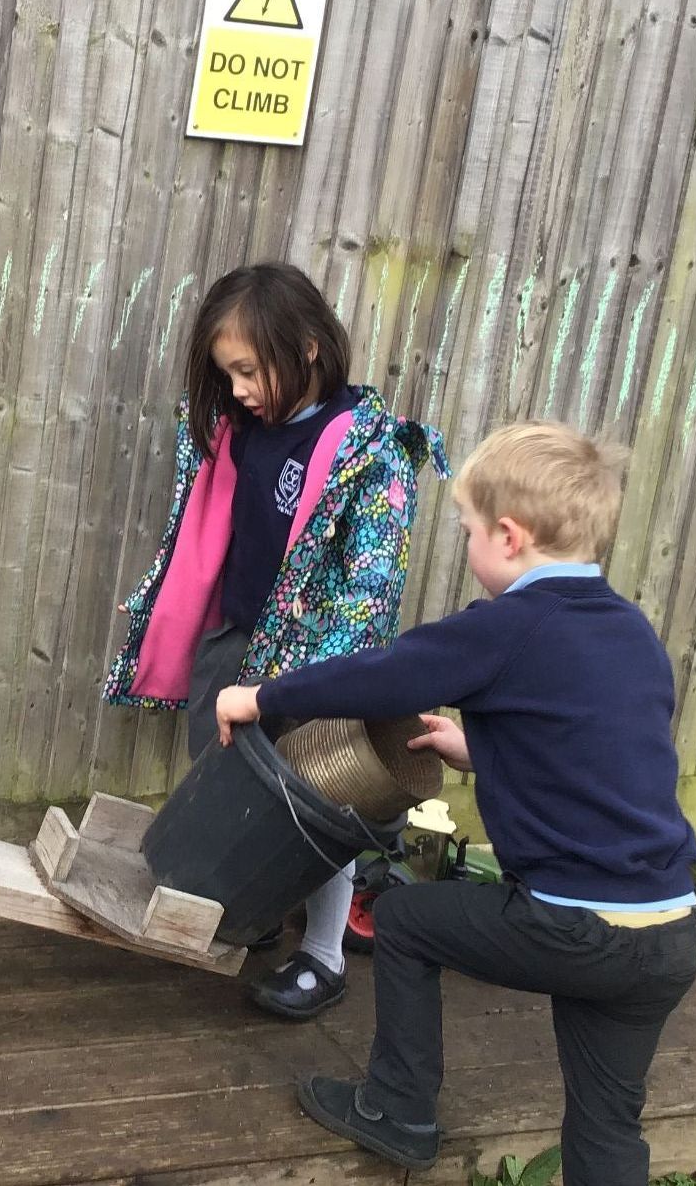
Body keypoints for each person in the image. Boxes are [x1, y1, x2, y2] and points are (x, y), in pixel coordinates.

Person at [215, 422, 696, 1185]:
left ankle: (398, 1110)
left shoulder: (509, 626)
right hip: (668, 930)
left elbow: (385, 676)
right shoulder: (629, 631)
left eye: (468, 530)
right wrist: (484, 750)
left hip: (574, 925)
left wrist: (262, 695)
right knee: (608, 1125)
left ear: (509, 537)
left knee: (408, 922)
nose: (467, 544)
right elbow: (597, 749)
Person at [102, 262, 446, 1018]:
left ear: (311, 347)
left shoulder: (371, 451)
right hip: (234, 644)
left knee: (314, 806)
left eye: (250, 371)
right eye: (228, 375)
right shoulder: (240, 432)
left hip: (317, 669)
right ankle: (246, 910)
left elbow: (372, 585)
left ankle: (322, 956)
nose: (239, 390)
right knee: (227, 788)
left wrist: (327, 686)